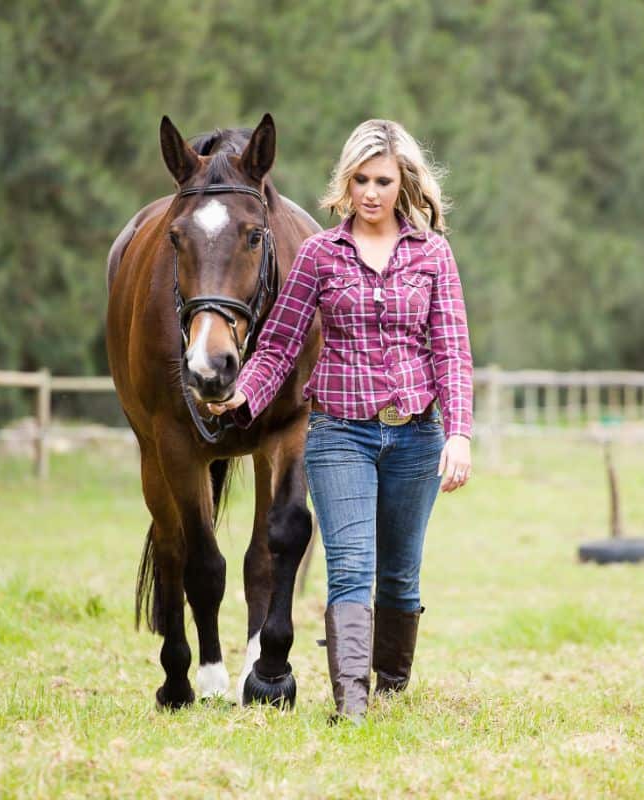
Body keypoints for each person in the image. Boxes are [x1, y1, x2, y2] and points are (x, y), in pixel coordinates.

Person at [206, 118, 473, 721]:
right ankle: (351, 707)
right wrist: (241, 396)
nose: (371, 192)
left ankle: (389, 690)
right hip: (339, 435)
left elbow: (452, 349)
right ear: (346, 183)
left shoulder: (432, 254)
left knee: (399, 576)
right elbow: (276, 344)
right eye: (361, 180)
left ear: (402, 184)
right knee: (350, 566)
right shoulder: (319, 254)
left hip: (416, 437)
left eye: (383, 180)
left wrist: (457, 431)